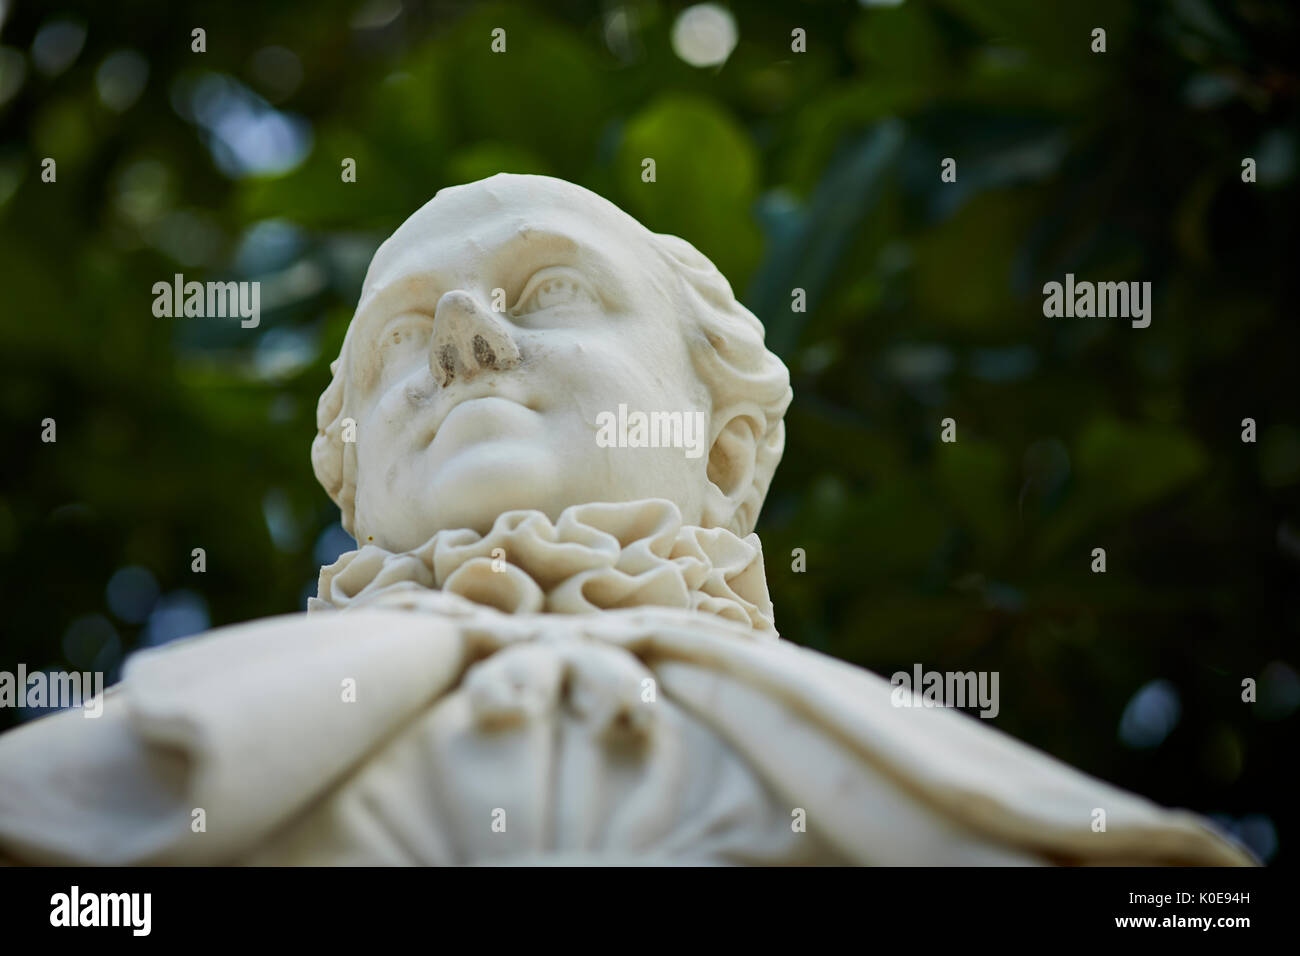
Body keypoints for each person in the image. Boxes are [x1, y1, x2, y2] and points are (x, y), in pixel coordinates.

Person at [0, 175, 1252, 865]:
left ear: (722, 450)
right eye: (401, 334)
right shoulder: (122, 779)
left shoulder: (987, 810)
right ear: (350, 475)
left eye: (548, 288)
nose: (464, 343)